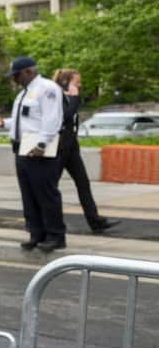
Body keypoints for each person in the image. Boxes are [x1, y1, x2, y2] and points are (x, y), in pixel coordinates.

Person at [6, 57, 67, 252]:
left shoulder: (47, 89)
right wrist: (3, 123)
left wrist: (42, 144)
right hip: (22, 148)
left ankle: (55, 235)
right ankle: (36, 232)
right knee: (29, 194)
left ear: (28, 72)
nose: (14, 79)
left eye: (16, 75)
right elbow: (23, 120)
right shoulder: (24, 93)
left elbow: (52, 119)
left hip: (39, 150)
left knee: (45, 193)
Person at [52, 68, 118, 234]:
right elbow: (66, 117)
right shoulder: (55, 97)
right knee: (51, 187)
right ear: (66, 82)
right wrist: (74, 98)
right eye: (77, 82)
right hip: (58, 147)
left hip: (71, 147)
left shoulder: (70, 97)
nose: (79, 86)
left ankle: (95, 220)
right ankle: (47, 221)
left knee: (83, 183)